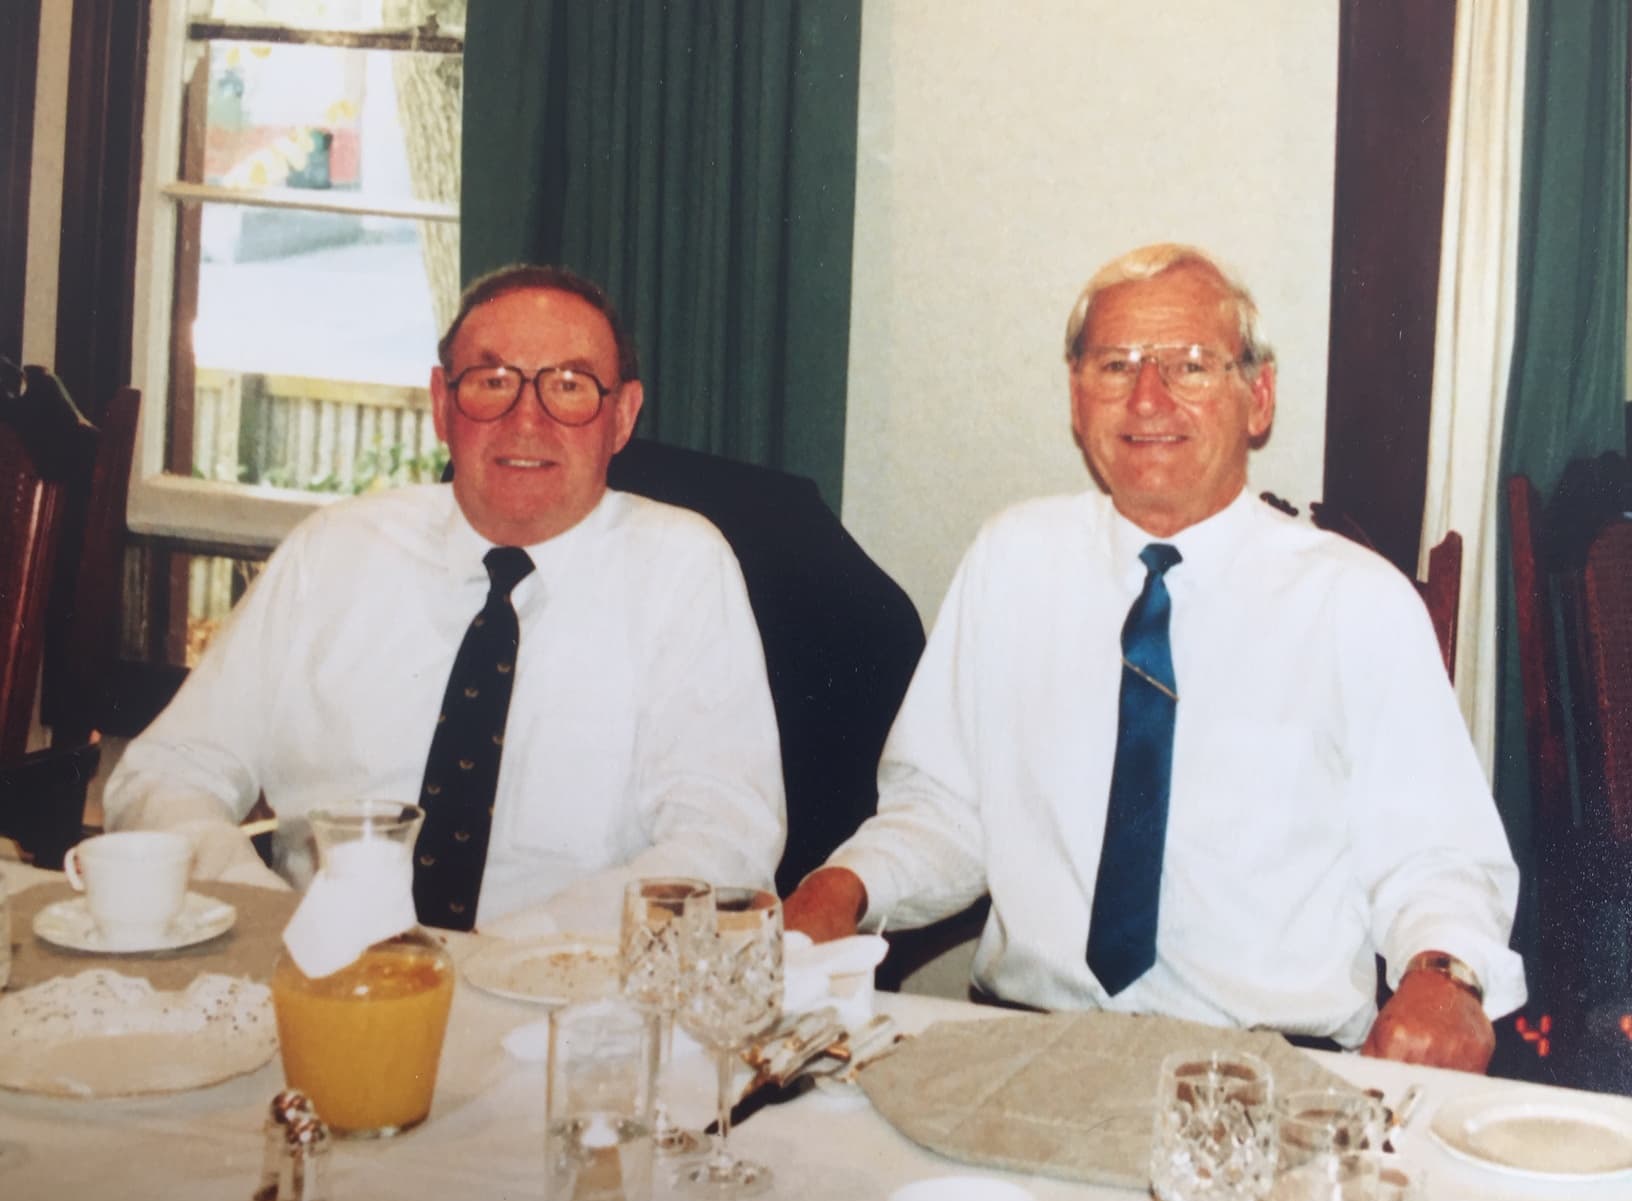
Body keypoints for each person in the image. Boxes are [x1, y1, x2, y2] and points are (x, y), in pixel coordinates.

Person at [784, 243, 1523, 1072]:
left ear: (1259, 398)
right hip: (1025, 1047)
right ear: (1076, 397)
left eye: (1191, 366)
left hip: (1267, 1068)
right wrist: (840, 886)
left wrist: (1443, 973)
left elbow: (1437, 857)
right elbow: (947, 811)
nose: (1147, 398)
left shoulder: (1358, 603)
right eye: (1115, 365)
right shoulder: (1012, 561)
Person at [104, 265, 786, 932]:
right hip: (321, 976)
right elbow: (164, 776)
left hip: (565, 993)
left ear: (622, 416)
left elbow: (726, 839)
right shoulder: (333, 553)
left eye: (569, 386)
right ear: (440, 403)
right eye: (492, 382)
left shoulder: (683, 568)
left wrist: (521, 950)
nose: (527, 420)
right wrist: (268, 913)